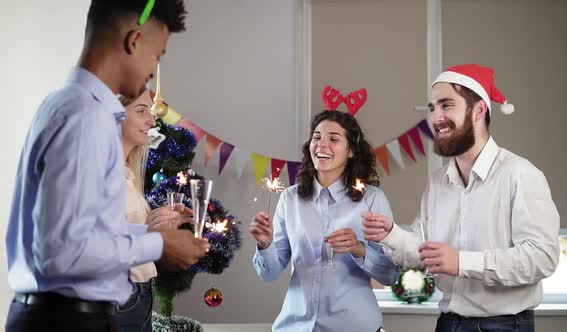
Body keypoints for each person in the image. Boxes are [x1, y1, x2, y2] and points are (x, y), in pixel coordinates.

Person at [5, 1, 209, 331]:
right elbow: (62, 250)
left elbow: (75, 233)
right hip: (66, 322)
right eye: (157, 55)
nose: (153, 71)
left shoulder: (65, 104)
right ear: (133, 41)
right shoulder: (85, 116)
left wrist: (149, 234)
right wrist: (159, 244)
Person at [362, 64, 560, 332]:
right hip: (448, 323)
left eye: (446, 105)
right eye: (433, 108)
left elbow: (542, 257)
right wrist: (391, 234)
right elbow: (425, 251)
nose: (436, 117)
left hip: (505, 326)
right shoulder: (437, 183)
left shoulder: (521, 175)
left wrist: (463, 262)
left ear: (479, 110)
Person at [250, 110, 398, 332]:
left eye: (334, 138)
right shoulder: (290, 198)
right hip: (294, 326)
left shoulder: (372, 199)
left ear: (350, 151)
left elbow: (390, 274)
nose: (322, 144)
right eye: (317, 137)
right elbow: (268, 274)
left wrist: (359, 249)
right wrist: (265, 244)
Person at [117, 90, 192, 331]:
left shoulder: (128, 174)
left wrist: (160, 223)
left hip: (140, 294)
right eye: (141, 111)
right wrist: (147, 230)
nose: (152, 121)